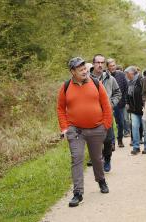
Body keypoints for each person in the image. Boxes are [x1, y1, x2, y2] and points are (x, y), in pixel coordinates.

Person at [57, 57, 112, 207]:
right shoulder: (66, 86)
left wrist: (105, 126)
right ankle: (78, 193)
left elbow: (106, 105)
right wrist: (64, 128)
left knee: (96, 158)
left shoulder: (96, 83)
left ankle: (101, 180)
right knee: (77, 158)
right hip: (75, 130)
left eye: (84, 68)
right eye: (80, 69)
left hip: (96, 128)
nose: (84, 70)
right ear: (72, 72)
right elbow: (61, 109)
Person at [90, 54, 121, 173]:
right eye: (97, 62)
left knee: (108, 140)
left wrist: (111, 104)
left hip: (106, 114)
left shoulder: (110, 78)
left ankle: (107, 159)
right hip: (91, 115)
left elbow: (118, 93)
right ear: (93, 64)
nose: (100, 65)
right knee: (95, 140)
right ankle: (98, 160)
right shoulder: (86, 78)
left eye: (102, 62)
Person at [124, 66, 146, 155]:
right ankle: (136, 147)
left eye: (127, 74)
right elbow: (127, 94)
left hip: (143, 109)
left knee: (145, 129)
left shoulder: (141, 80)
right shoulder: (129, 82)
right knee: (134, 127)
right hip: (134, 110)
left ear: (133, 73)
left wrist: (145, 105)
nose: (126, 75)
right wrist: (127, 103)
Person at [107, 58, 128, 148]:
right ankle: (112, 142)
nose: (113, 67)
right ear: (107, 67)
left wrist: (126, 101)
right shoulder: (105, 76)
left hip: (120, 104)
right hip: (108, 104)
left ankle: (119, 139)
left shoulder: (121, 75)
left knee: (121, 123)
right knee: (110, 123)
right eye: (110, 66)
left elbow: (126, 89)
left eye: (114, 65)